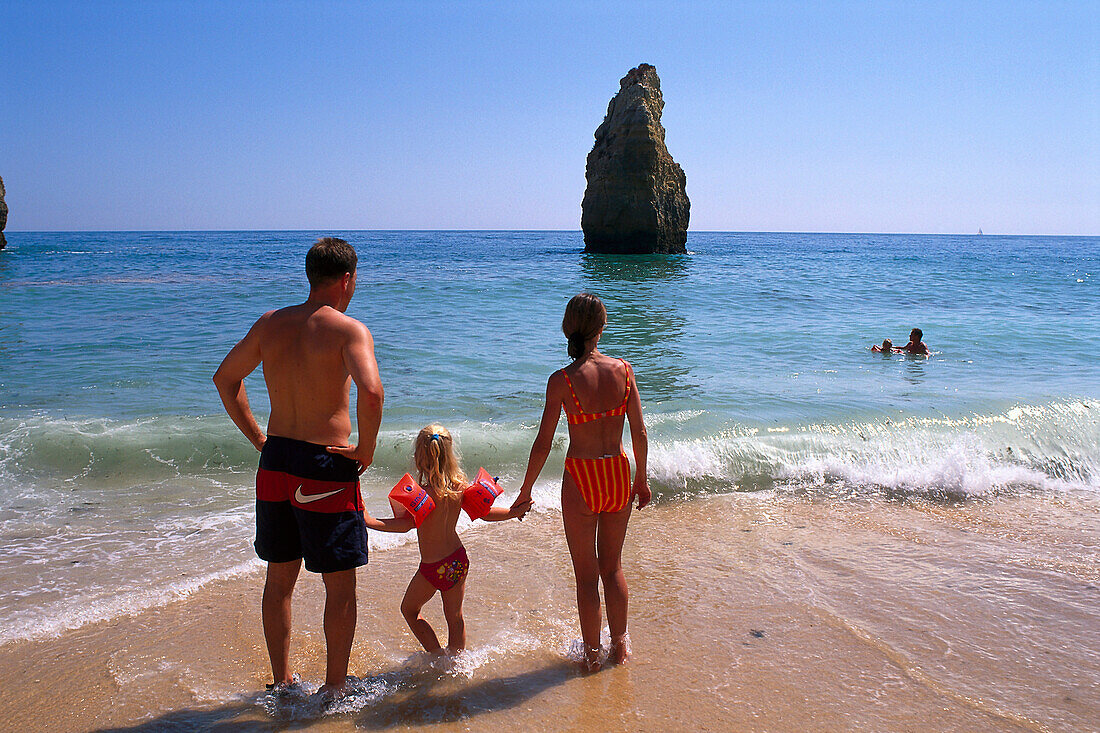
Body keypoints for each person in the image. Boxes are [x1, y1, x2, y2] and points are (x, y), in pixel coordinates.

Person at [213, 236, 384, 699]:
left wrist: (259, 440)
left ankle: (283, 680)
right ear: (347, 280)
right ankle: (333, 688)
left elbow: (226, 379)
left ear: (312, 276)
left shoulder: (270, 324)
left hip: (276, 460)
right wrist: (366, 450)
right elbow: (372, 394)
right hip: (323, 465)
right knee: (339, 584)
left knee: (279, 576)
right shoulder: (349, 330)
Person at [511, 292, 650, 673]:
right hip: (619, 473)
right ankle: (619, 649)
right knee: (614, 568)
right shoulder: (624, 369)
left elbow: (542, 443)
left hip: (582, 476)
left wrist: (524, 492)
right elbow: (638, 432)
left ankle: (591, 655)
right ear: (601, 328)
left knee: (587, 575)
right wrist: (642, 478)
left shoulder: (562, 381)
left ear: (569, 329)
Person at [364, 425, 531, 655]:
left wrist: (370, 520)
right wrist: (514, 512)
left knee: (410, 610)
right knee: (455, 617)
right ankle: (456, 662)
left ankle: (437, 656)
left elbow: (404, 526)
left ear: (419, 457)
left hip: (432, 568)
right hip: (457, 560)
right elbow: (484, 513)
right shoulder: (459, 488)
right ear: (449, 454)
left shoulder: (421, 496)